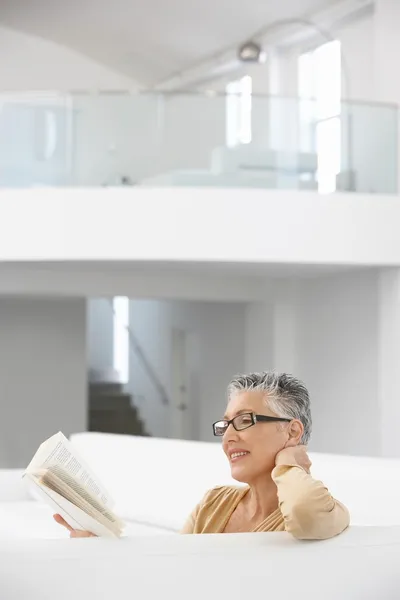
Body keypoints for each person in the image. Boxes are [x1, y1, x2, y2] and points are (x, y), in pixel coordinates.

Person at [54, 371, 350, 539]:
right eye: (226, 424)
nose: (229, 436)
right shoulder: (214, 503)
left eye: (245, 421)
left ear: (292, 431)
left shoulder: (324, 508)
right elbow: (173, 569)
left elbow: (303, 513)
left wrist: (290, 460)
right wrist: (98, 543)